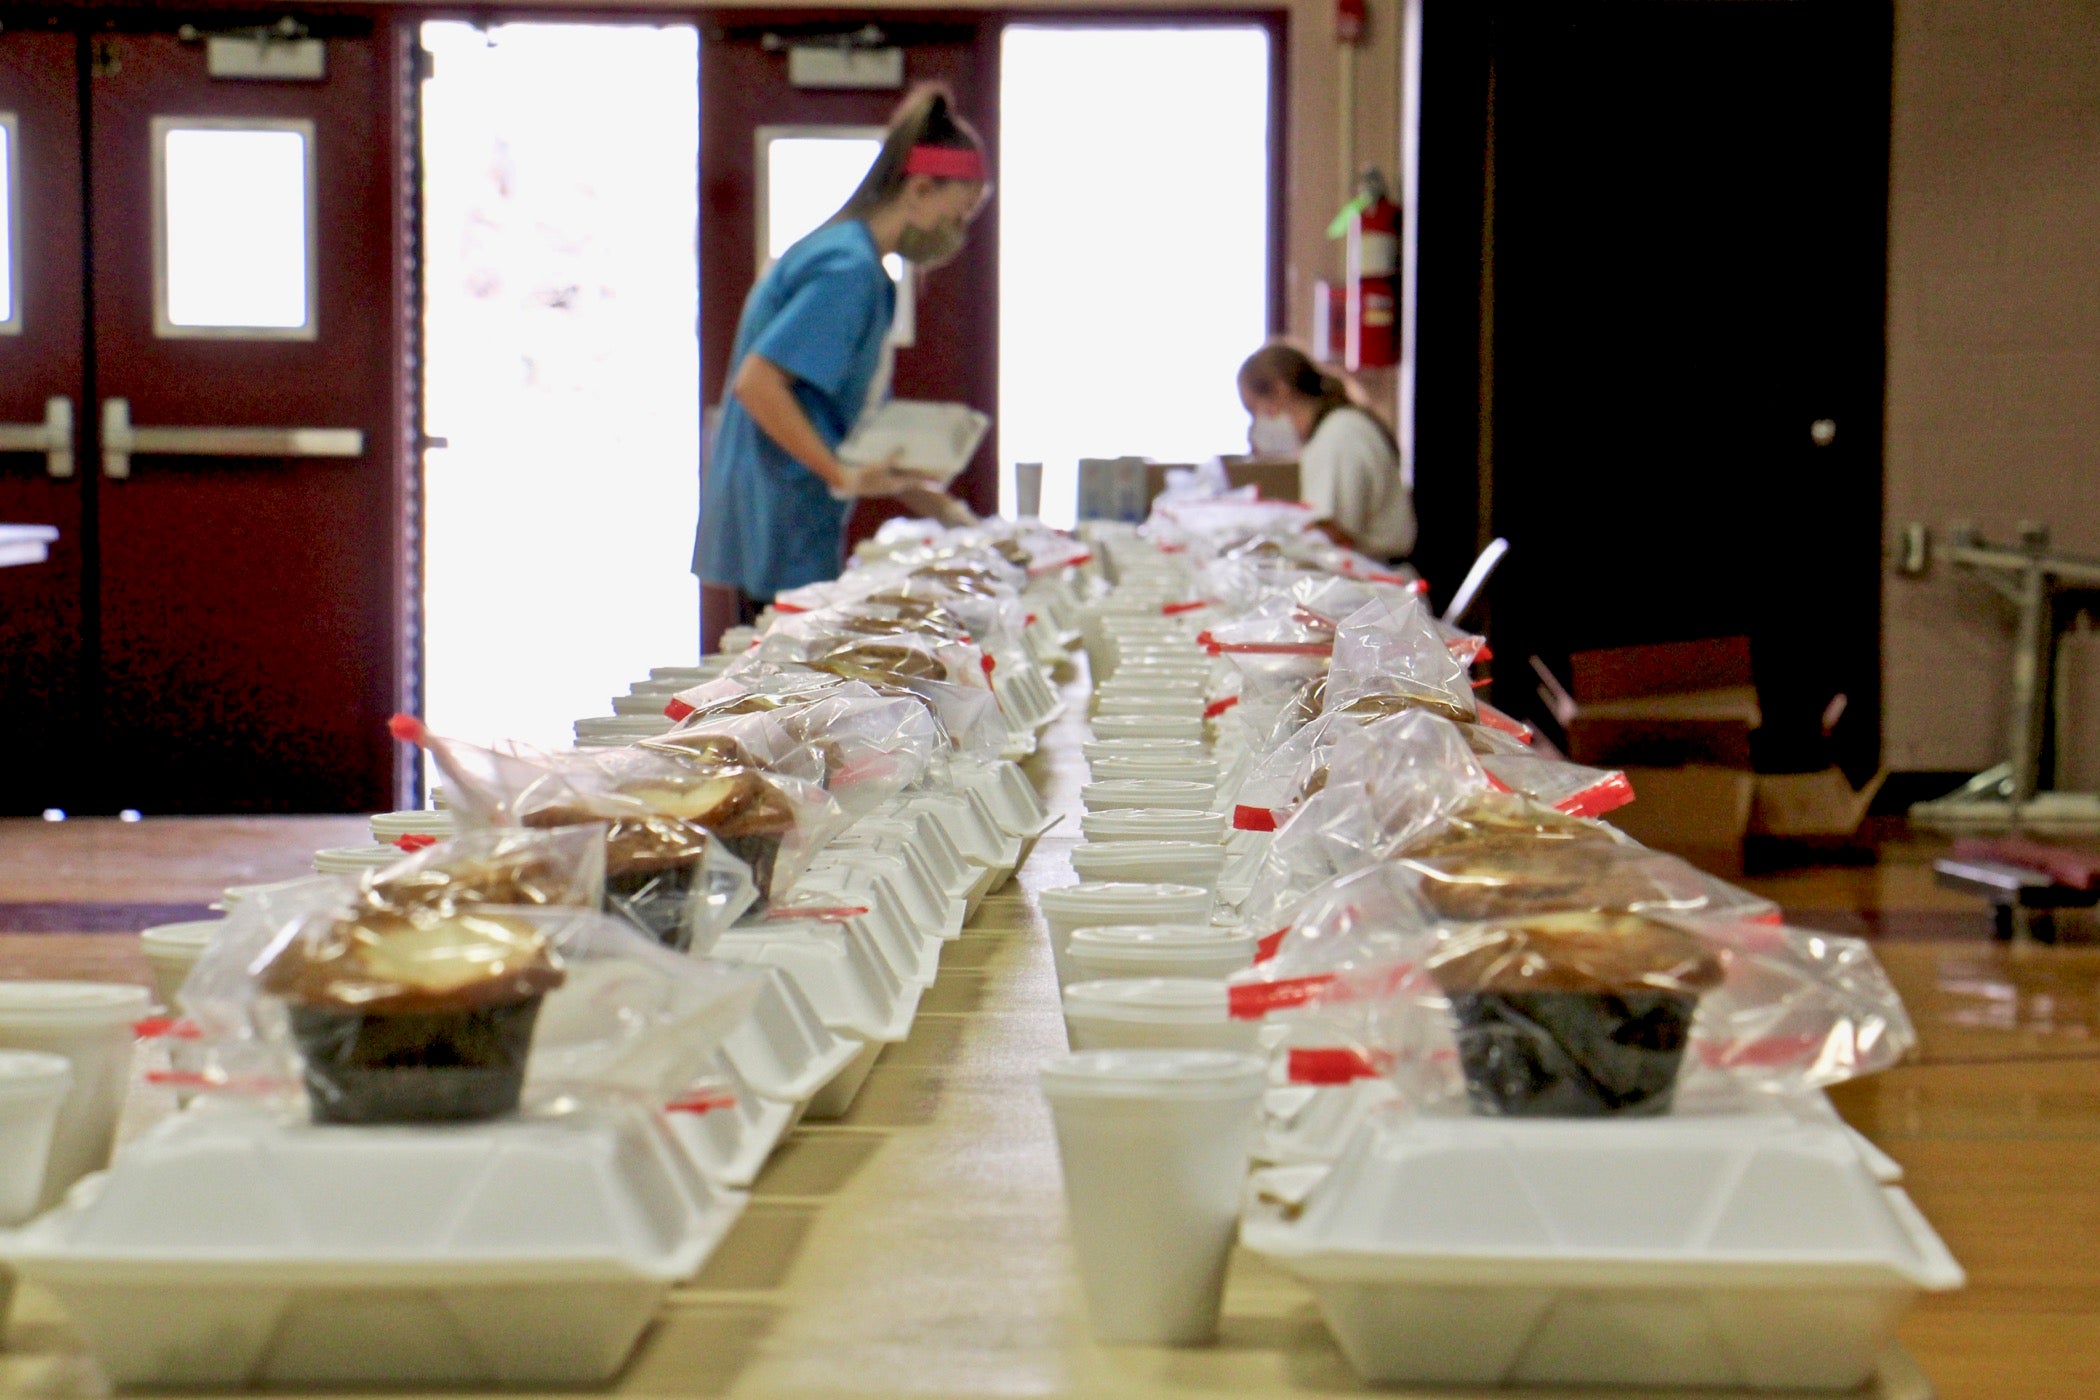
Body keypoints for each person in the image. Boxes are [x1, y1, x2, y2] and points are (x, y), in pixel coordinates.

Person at [695, 85, 988, 644]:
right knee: (781, 680)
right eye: (960, 213)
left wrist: (929, 500)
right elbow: (758, 384)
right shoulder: (847, 269)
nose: (958, 234)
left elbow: (827, 411)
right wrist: (842, 474)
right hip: (782, 510)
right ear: (921, 188)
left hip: (787, 504)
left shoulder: (858, 264)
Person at [1236, 343, 1415, 560]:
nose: (1257, 427)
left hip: (1378, 579)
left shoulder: (1339, 435)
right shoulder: (1334, 430)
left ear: (1280, 392)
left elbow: (1329, 534)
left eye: (1256, 411)